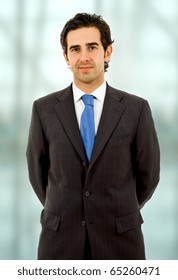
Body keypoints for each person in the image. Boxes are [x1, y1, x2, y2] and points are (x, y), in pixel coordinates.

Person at [26, 13, 160, 260]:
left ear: (107, 52)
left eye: (92, 47)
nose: (84, 56)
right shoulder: (43, 110)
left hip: (120, 242)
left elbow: (148, 176)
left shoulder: (136, 109)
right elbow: (38, 174)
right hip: (60, 243)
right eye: (75, 49)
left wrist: (118, 211)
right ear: (66, 57)